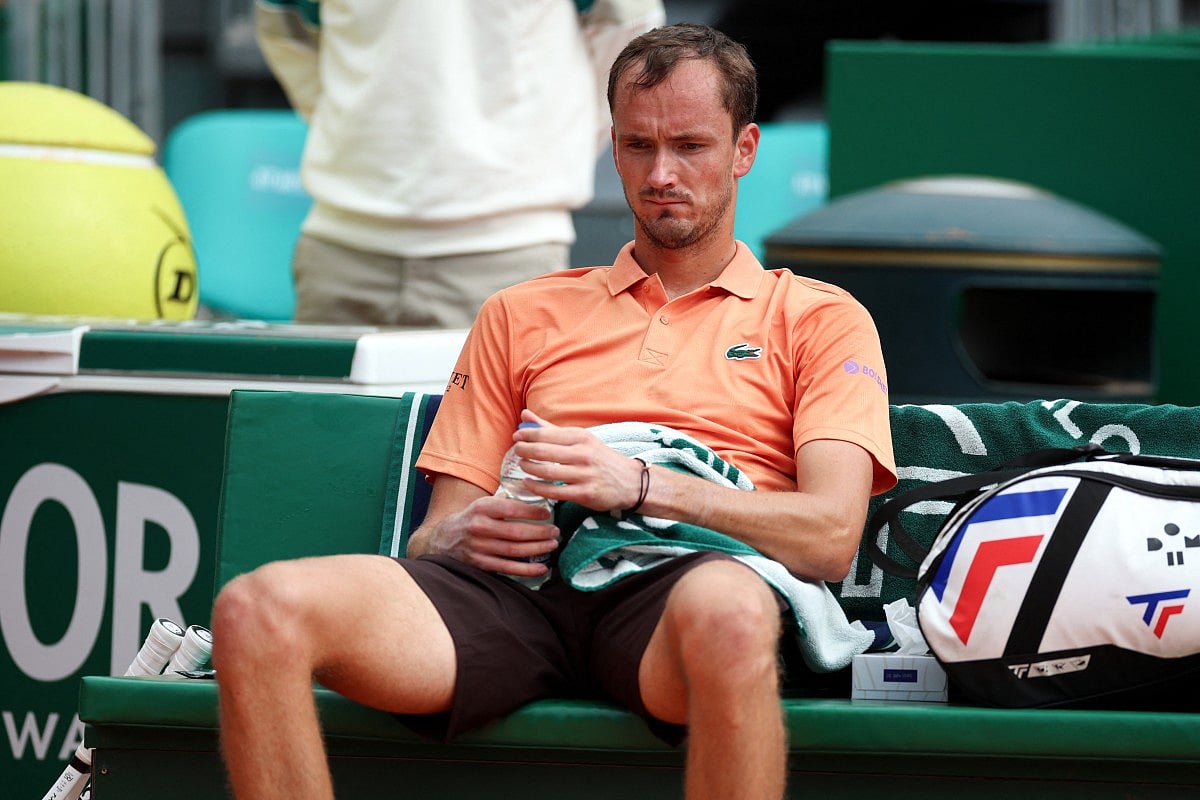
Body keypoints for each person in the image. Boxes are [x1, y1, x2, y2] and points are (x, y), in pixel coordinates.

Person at [213, 23, 897, 800]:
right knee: (256, 610)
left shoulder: (819, 316)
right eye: (638, 146)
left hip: (680, 582)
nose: (662, 174)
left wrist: (644, 485)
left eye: (690, 147)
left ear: (744, 150)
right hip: (518, 590)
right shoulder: (520, 310)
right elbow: (438, 530)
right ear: (614, 149)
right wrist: (457, 535)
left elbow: (830, 537)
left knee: (733, 616)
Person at [255, 0, 664, 327]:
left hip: (507, 249)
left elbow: (630, 33)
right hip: (340, 250)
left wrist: (560, 142)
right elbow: (281, 22)